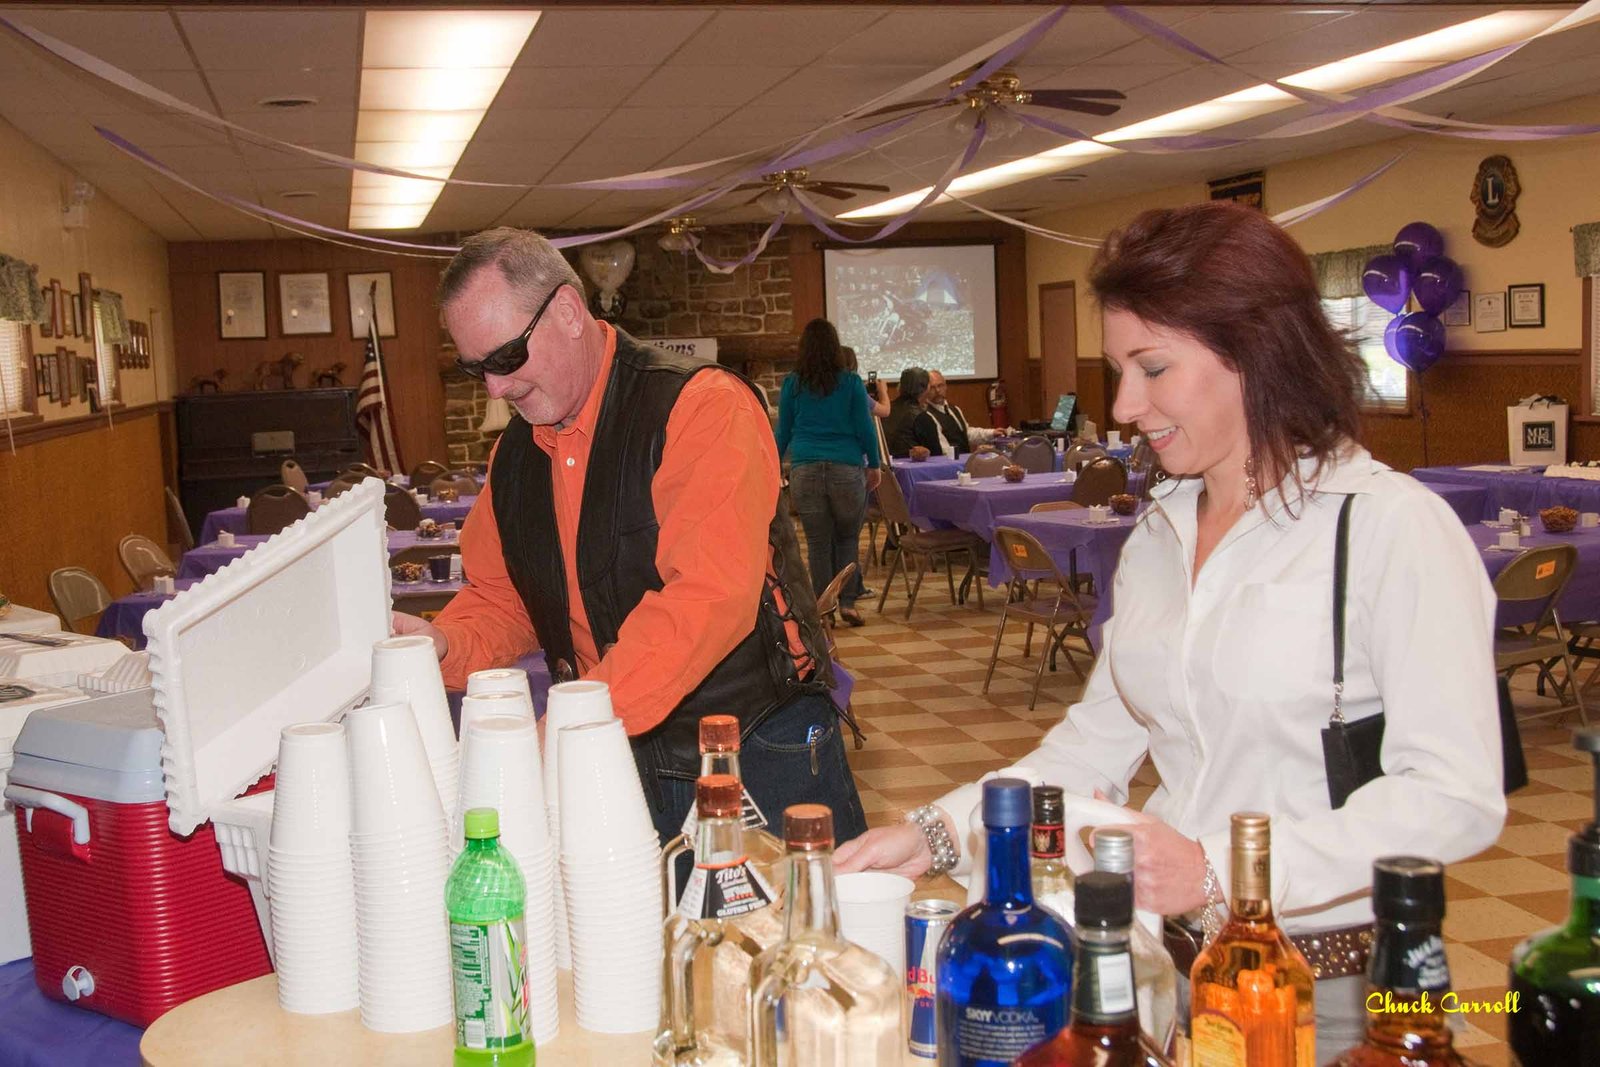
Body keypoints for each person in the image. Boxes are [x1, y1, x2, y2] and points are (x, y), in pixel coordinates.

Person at [834, 202, 1505, 1058]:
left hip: (1329, 990)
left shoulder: (1389, 529)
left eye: (1152, 367)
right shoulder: (1159, 533)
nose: (1124, 403)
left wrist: (1223, 871)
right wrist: (934, 830)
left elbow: (1454, 794)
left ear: (1255, 351)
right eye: (1119, 370)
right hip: (1164, 967)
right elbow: (1092, 746)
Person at [394, 228, 867, 847]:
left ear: (568, 311)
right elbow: (507, 597)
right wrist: (444, 645)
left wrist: (576, 715)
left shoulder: (700, 405)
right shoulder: (513, 456)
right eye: (475, 367)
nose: (495, 388)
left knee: (796, 914)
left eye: (506, 358)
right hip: (613, 756)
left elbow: (706, 597)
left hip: (752, 748)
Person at [776, 320, 882, 628]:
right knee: (848, 538)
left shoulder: (792, 384)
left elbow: (783, 431)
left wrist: (772, 465)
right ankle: (848, 603)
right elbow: (865, 428)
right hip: (846, 467)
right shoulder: (850, 383)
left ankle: (824, 610)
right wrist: (874, 464)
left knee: (817, 542)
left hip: (805, 468)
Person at [925, 370, 1008, 457]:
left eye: (940, 385)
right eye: (932, 387)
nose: (937, 390)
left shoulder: (955, 409)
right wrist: (976, 452)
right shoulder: (927, 416)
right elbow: (943, 449)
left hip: (964, 460)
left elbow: (967, 433)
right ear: (926, 390)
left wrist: (992, 433)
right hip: (949, 462)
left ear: (945, 386)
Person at [882, 367, 942, 458]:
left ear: (900, 387)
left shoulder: (885, 410)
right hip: (913, 465)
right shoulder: (922, 418)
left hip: (884, 465)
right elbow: (936, 456)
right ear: (926, 388)